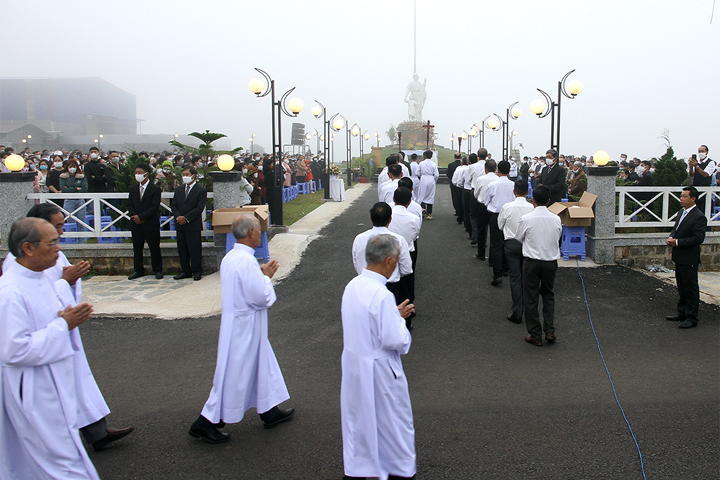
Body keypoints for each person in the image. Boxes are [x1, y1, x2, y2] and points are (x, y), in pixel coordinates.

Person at [3, 203, 134, 452]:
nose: (59, 240)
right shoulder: (12, 283)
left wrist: (68, 289)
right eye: (56, 230)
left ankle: (93, 432)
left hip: (59, 338)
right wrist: (65, 286)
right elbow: (15, 346)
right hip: (40, 359)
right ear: (29, 245)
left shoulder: (46, 257)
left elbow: (47, 291)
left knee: (76, 384)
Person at [0, 218, 100, 479]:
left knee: (63, 454)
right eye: (52, 242)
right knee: (59, 460)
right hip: (35, 389)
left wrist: (61, 316)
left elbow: (42, 319)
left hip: (54, 380)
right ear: (28, 248)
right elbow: (14, 350)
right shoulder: (10, 292)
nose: (59, 247)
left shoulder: (39, 277)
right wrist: (62, 324)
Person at [189, 214, 294, 443]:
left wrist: (261, 274)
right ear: (250, 233)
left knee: (261, 365)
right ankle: (206, 422)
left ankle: (269, 410)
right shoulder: (246, 261)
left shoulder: (231, 257)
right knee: (234, 375)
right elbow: (261, 298)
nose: (260, 233)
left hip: (239, 324)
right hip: (244, 328)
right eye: (258, 230)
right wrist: (266, 277)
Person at [341, 234, 416, 480]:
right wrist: (399, 322)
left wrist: (393, 315)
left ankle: (358, 469)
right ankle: (399, 470)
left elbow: (365, 319)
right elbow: (396, 340)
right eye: (395, 260)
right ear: (387, 261)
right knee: (393, 425)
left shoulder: (353, 285)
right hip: (380, 370)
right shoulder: (382, 295)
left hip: (355, 365)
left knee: (359, 422)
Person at [515, 185, 562, 346]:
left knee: (531, 297)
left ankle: (535, 333)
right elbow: (558, 238)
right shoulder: (556, 218)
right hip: (550, 262)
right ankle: (549, 330)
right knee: (548, 294)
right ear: (548, 201)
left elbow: (519, 237)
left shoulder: (527, 218)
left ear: (533, 200)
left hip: (532, 262)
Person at [352, 203, 413, 322]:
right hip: (390, 286)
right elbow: (407, 268)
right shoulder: (398, 239)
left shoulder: (359, 238)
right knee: (389, 323)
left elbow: (356, 262)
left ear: (371, 218)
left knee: (366, 322)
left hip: (364, 286)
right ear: (390, 219)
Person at [665, 186, 707, 329]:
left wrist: (677, 242)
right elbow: (677, 229)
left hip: (689, 257)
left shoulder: (699, 216)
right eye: (681, 196)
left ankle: (691, 316)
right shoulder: (681, 212)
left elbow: (698, 238)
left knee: (690, 287)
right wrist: (672, 237)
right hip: (679, 256)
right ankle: (682, 311)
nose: (681, 199)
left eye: (684, 196)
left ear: (693, 199)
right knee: (681, 286)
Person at [498, 180, 534, 323]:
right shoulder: (531, 207)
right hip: (527, 244)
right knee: (526, 276)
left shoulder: (507, 207)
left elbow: (500, 225)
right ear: (527, 192)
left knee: (515, 277)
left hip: (511, 243)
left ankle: (517, 310)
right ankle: (527, 306)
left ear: (514, 191)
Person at [388, 187, 421, 330]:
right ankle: (407, 320)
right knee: (407, 283)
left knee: (391, 285)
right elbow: (415, 235)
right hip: (407, 250)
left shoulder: (389, 215)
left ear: (394, 199)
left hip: (388, 253)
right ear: (409, 202)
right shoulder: (413, 218)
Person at [127, 163, 163, 280]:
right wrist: (135, 216)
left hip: (149, 223)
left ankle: (157, 270)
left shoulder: (155, 189)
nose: (137, 175)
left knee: (154, 248)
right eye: (136, 172)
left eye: (139, 172)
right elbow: (130, 205)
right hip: (136, 224)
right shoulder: (133, 189)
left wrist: (141, 217)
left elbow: (154, 207)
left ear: (146, 174)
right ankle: (138, 270)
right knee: (137, 248)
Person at [172, 166, 208, 281]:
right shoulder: (178, 190)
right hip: (180, 223)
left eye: (187, 174)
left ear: (193, 175)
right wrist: (178, 217)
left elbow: (199, 208)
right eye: (183, 174)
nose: (185, 177)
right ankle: (185, 271)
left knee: (194, 249)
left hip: (192, 224)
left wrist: (186, 218)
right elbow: (174, 205)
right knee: (182, 248)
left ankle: (197, 271)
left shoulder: (200, 190)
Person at [484, 160, 515, 285]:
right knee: (507, 241)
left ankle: (497, 274)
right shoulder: (513, 185)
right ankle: (506, 268)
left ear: (498, 170)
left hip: (496, 214)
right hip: (509, 215)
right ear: (509, 171)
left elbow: (486, 201)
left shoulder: (493, 185)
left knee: (496, 244)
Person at [473, 159, 497, 261]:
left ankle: (481, 254)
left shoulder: (481, 179)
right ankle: (492, 257)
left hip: (483, 206)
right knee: (494, 233)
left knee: (481, 230)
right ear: (496, 169)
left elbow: (475, 193)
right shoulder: (498, 179)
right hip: (495, 207)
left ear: (485, 169)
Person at [688, 145, 715, 215]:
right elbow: (692, 175)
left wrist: (697, 167)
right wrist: (691, 166)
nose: (700, 153)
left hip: (705, 190)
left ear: (706, 152)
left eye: (702, 151)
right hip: (696, 189)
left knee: (705, 211)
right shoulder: (697, 163)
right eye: (699, 151)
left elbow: (706, 174)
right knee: (695, 210)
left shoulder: (711, 163)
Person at [414, 150, 439, 219]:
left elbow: (417, 172)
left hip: (423, 178)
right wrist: (434, 180)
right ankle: (429, 214)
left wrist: (421, 176)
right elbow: (437, 175)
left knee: (422, 194)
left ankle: (422, 209)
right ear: (431, 156)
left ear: (424, 156)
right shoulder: (433, 164)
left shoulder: (421, 163)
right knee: (430, 195)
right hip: (431, 179)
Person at [452, 157, 468, 225]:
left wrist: (457, 184)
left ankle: (460, 217)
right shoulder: (469, 168)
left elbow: (455, 180)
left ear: (461, 163)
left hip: (459, 188)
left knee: (459, 203)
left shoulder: (459, 169)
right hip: (468, 188)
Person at [447, 152, 462, 219]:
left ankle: (457, 210)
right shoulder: (461, 165)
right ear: (460, 157)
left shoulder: (451, 165)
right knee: (461, 197)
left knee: (455, 197)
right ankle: (461, 210)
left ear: (454, 157)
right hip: (462, 184)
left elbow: (448, 174)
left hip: (453, 183)